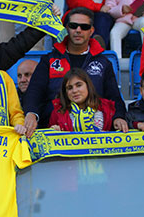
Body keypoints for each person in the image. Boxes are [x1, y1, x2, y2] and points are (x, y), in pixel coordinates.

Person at [23, 7, 128, 137]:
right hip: (55, 130)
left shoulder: (103, 62)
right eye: (74, 26)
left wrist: (118, 117)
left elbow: (114, 96)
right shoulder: (49, 60)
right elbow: (34, 92)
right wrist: (31, 113)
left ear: (91, 31)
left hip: (94, 133)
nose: (78, 30)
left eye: (84, 27)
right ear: (67, 28)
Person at [49, 68, 116, 131]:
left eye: (79, 85)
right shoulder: (58, 113)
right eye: (70, 88)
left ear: (88, 86)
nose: (74, 91)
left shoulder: (107, 107)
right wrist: (54, 132)